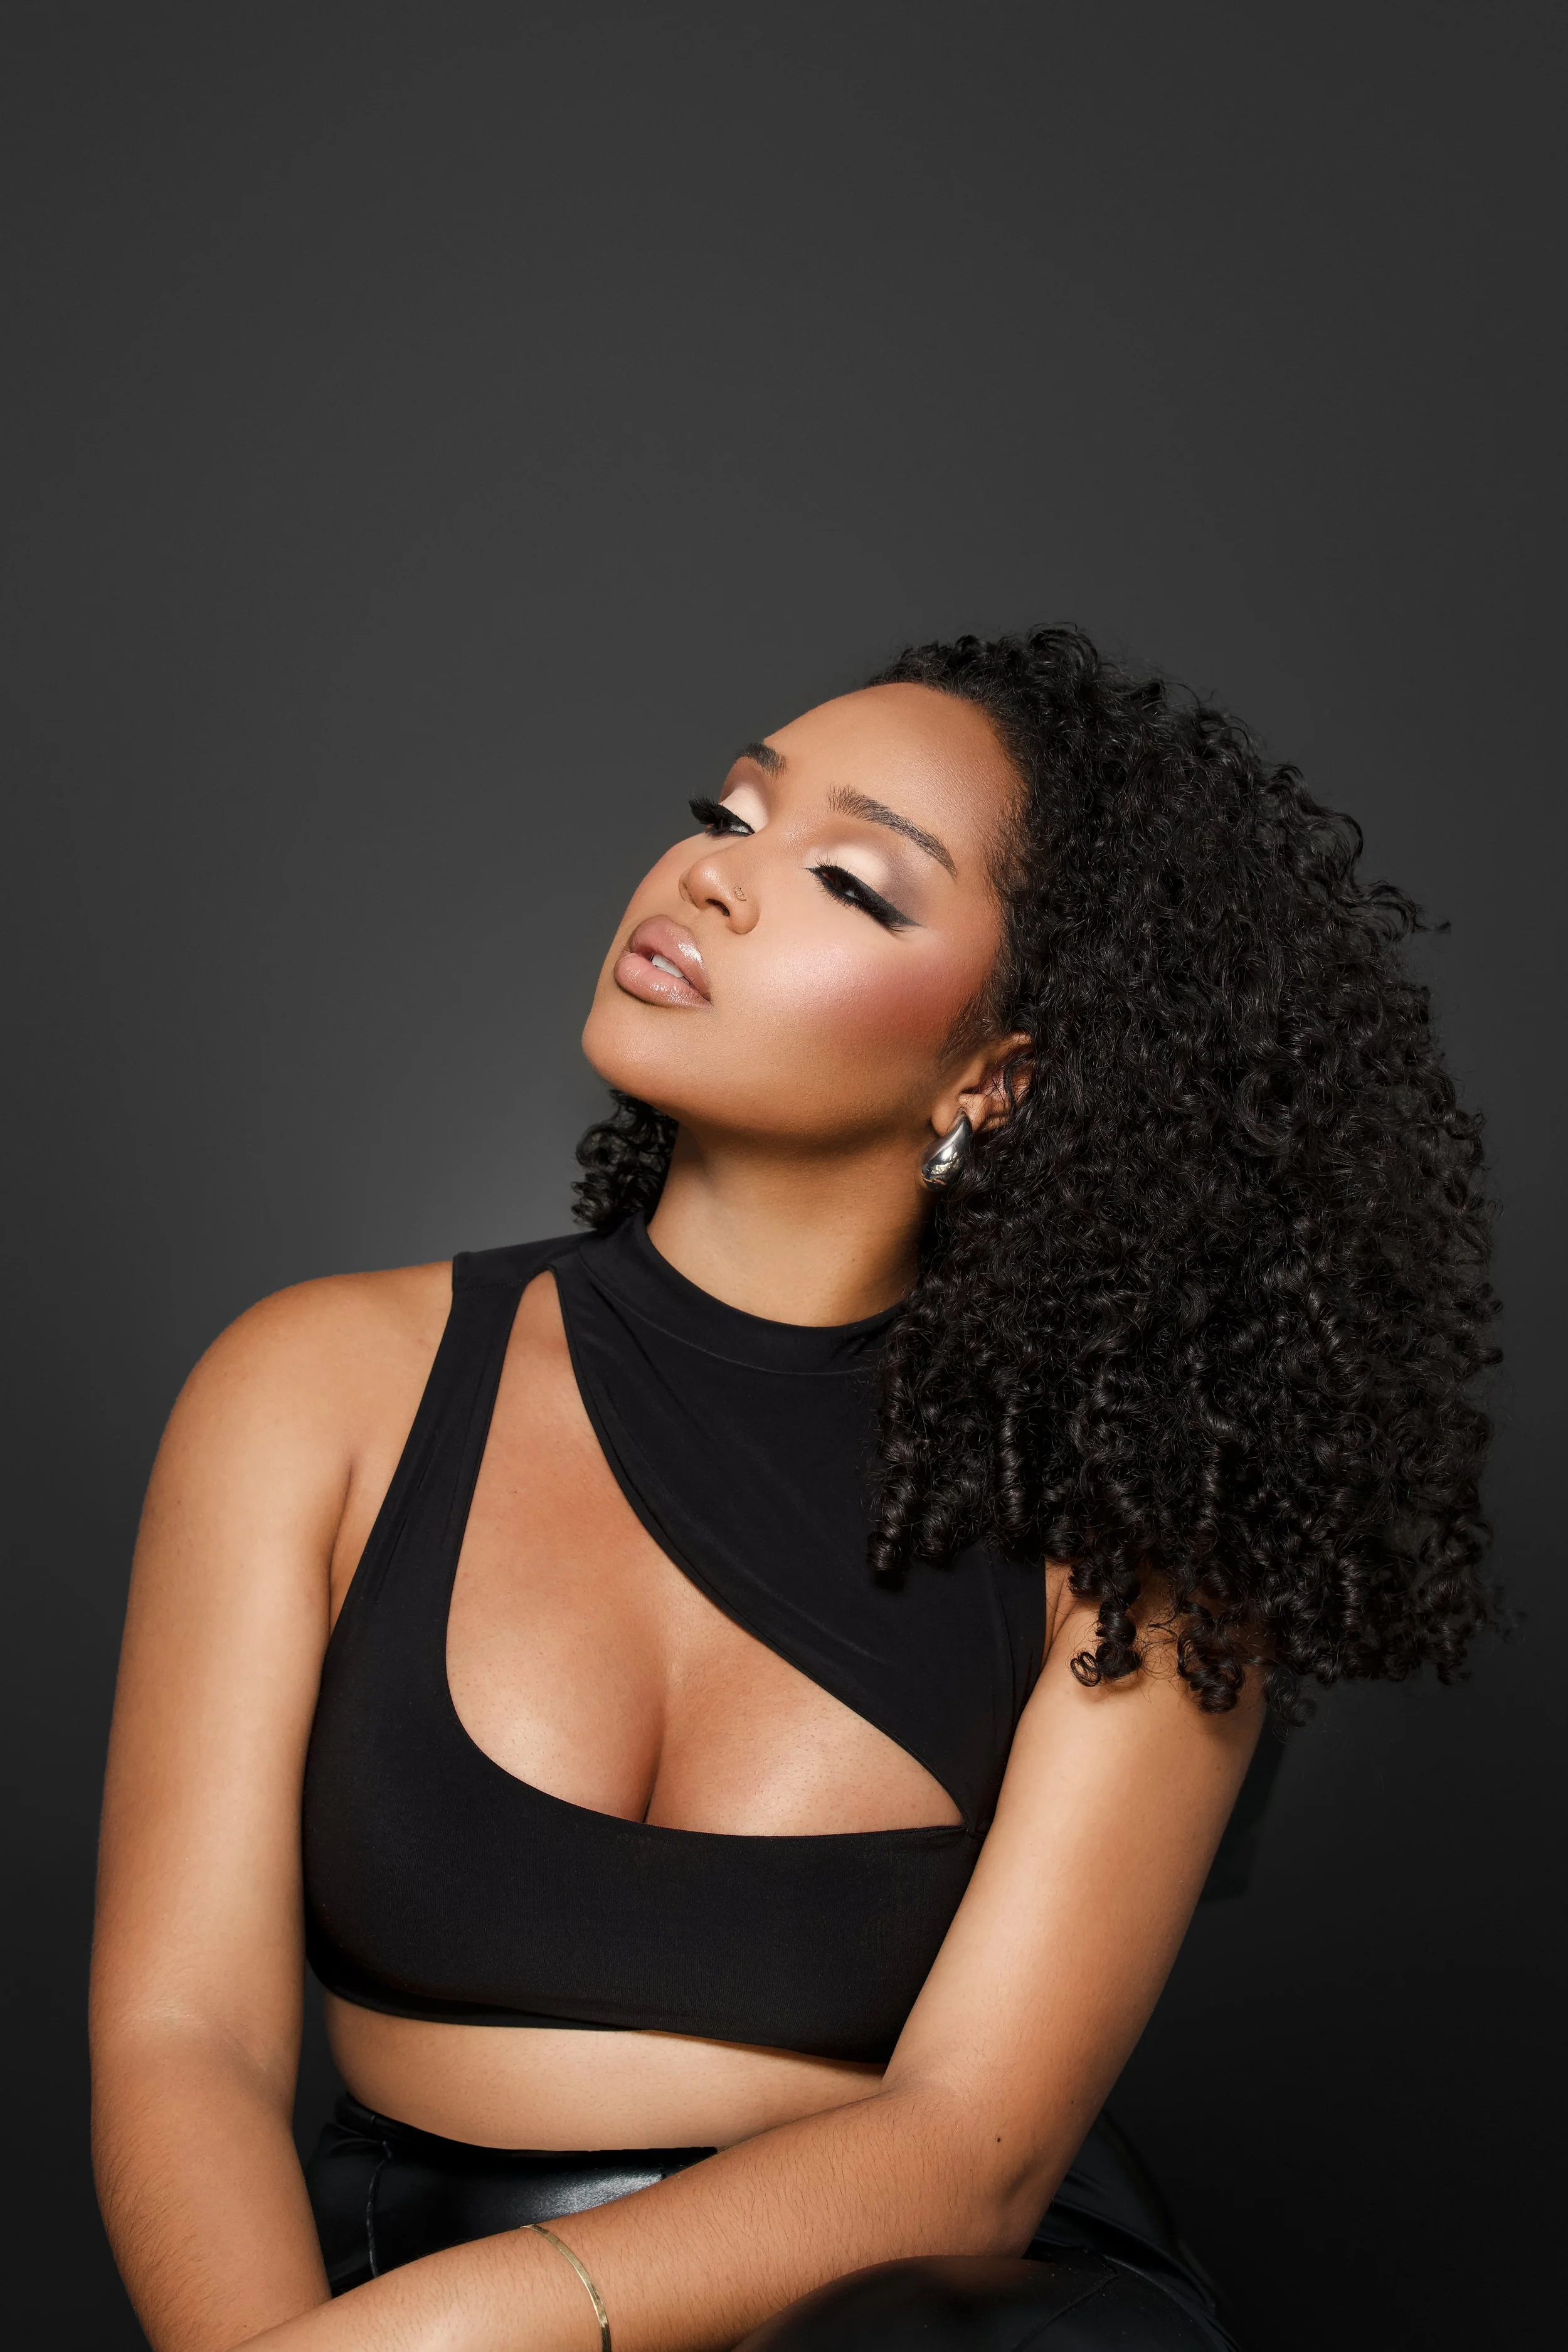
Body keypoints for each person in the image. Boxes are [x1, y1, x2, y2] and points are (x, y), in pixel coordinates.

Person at [90, 628, 1496, 2352]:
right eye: (726, 810)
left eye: (847, 878)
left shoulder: (1131, 1530)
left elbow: (971, 2149)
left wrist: (460, 2335)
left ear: (997, 1074)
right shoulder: (314, 1388)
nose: (713, 873)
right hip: (402, 2279)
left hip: (940, 2311)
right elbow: (187, 2036)